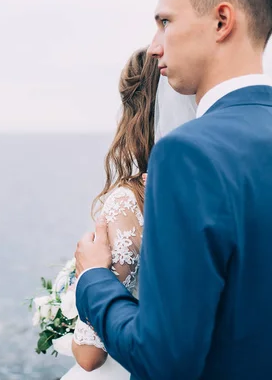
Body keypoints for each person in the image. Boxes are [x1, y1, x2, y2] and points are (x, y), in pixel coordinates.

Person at [74, 0, 272, 379]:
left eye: (165, 21)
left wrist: (93, 278)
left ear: (222, 21)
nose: (156, 45)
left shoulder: (185, 154)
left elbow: (163, 359)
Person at [62, 48, 197, 379]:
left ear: (135, 112)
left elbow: (91, 356)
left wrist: (85, 287)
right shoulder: (211, 188)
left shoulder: (128, 201)